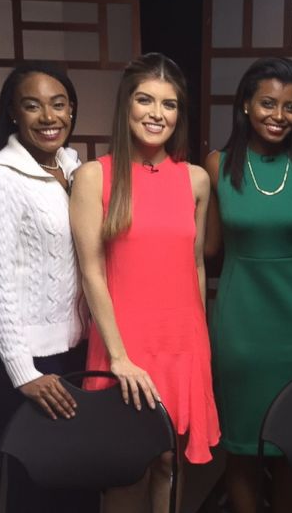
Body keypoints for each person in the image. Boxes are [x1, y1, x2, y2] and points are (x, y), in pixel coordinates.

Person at [71, 52, 220, 513]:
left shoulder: (195, 179)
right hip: (125, 345)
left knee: (169, 462)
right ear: (126, 105)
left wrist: (200, 339)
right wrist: (118, 356)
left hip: (183, 341)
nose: (157, 114)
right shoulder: (95, 175)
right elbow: (91, 271)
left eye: (169, 104)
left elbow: (194, 264)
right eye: (145, 100)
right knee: (126, 465)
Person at [0, 62, 94, 511]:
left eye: (58, 104)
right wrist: (24, 373)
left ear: (72, 109)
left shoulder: (74, 167)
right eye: (33, 106)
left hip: (76, 349)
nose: (48, 116)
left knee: (80, 476)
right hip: (31, 359)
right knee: (37, 486)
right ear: (14, 115)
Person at [204, 57, 292, 513]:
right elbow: (210, 248)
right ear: (245, 105)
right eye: (268, 104)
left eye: (291, 108)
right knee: (242, 443)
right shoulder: (217, 165)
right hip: (240, 321)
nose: (279, 116)